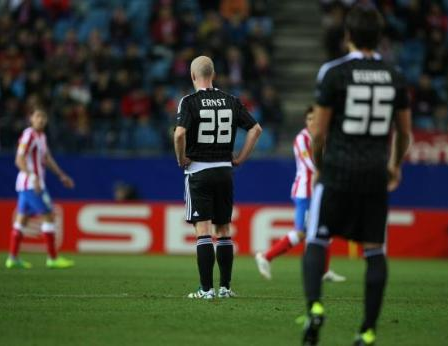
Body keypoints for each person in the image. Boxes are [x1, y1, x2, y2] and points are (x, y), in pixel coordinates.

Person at [301, 5, 412, 346]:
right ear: (379, 36)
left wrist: (319, 166)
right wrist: (394, 164)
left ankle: (316, 308)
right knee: (375, 252)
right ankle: (367, 330)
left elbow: (318, 133)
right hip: (374, 175)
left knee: (317, 240)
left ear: (347, 35)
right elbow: (404, 133)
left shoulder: (333, 72)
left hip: (337, 171)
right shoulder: (394, 75)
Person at [174, 56, 262, 299]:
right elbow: (256, 129)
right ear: (212, 74)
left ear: (193, 76)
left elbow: (179, 134)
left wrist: (181, 158)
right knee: (223, 229)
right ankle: (225, 288)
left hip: (199, 171)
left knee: (203, 231)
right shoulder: (231, 100)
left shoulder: (189, 101)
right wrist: (241, 157)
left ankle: (205, 290)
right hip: (225, 171)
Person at [255, 106, 345, 283]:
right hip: (305, 192)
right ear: (306, 121)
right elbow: (311, 165)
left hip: (319, 191)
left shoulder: (325, 137)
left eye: (315, 119)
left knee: (324, 229)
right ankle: (266, 256)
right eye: (309, 119)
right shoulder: (302, 139)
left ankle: (323, 271)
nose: (312, 122)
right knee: (302, 232)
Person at [6, 107, 76, 269]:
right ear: (31, 119)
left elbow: (47, 158)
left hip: (28, 184)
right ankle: (52, 258)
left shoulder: (42, 136)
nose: (41, 119)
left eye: (44, 117)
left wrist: (61, 175)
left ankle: (12, 258)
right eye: (38, 116)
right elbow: (19, 159)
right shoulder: (29, 135)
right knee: (49, 215)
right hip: (31, 184)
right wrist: (32, 176)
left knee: (21, 219)